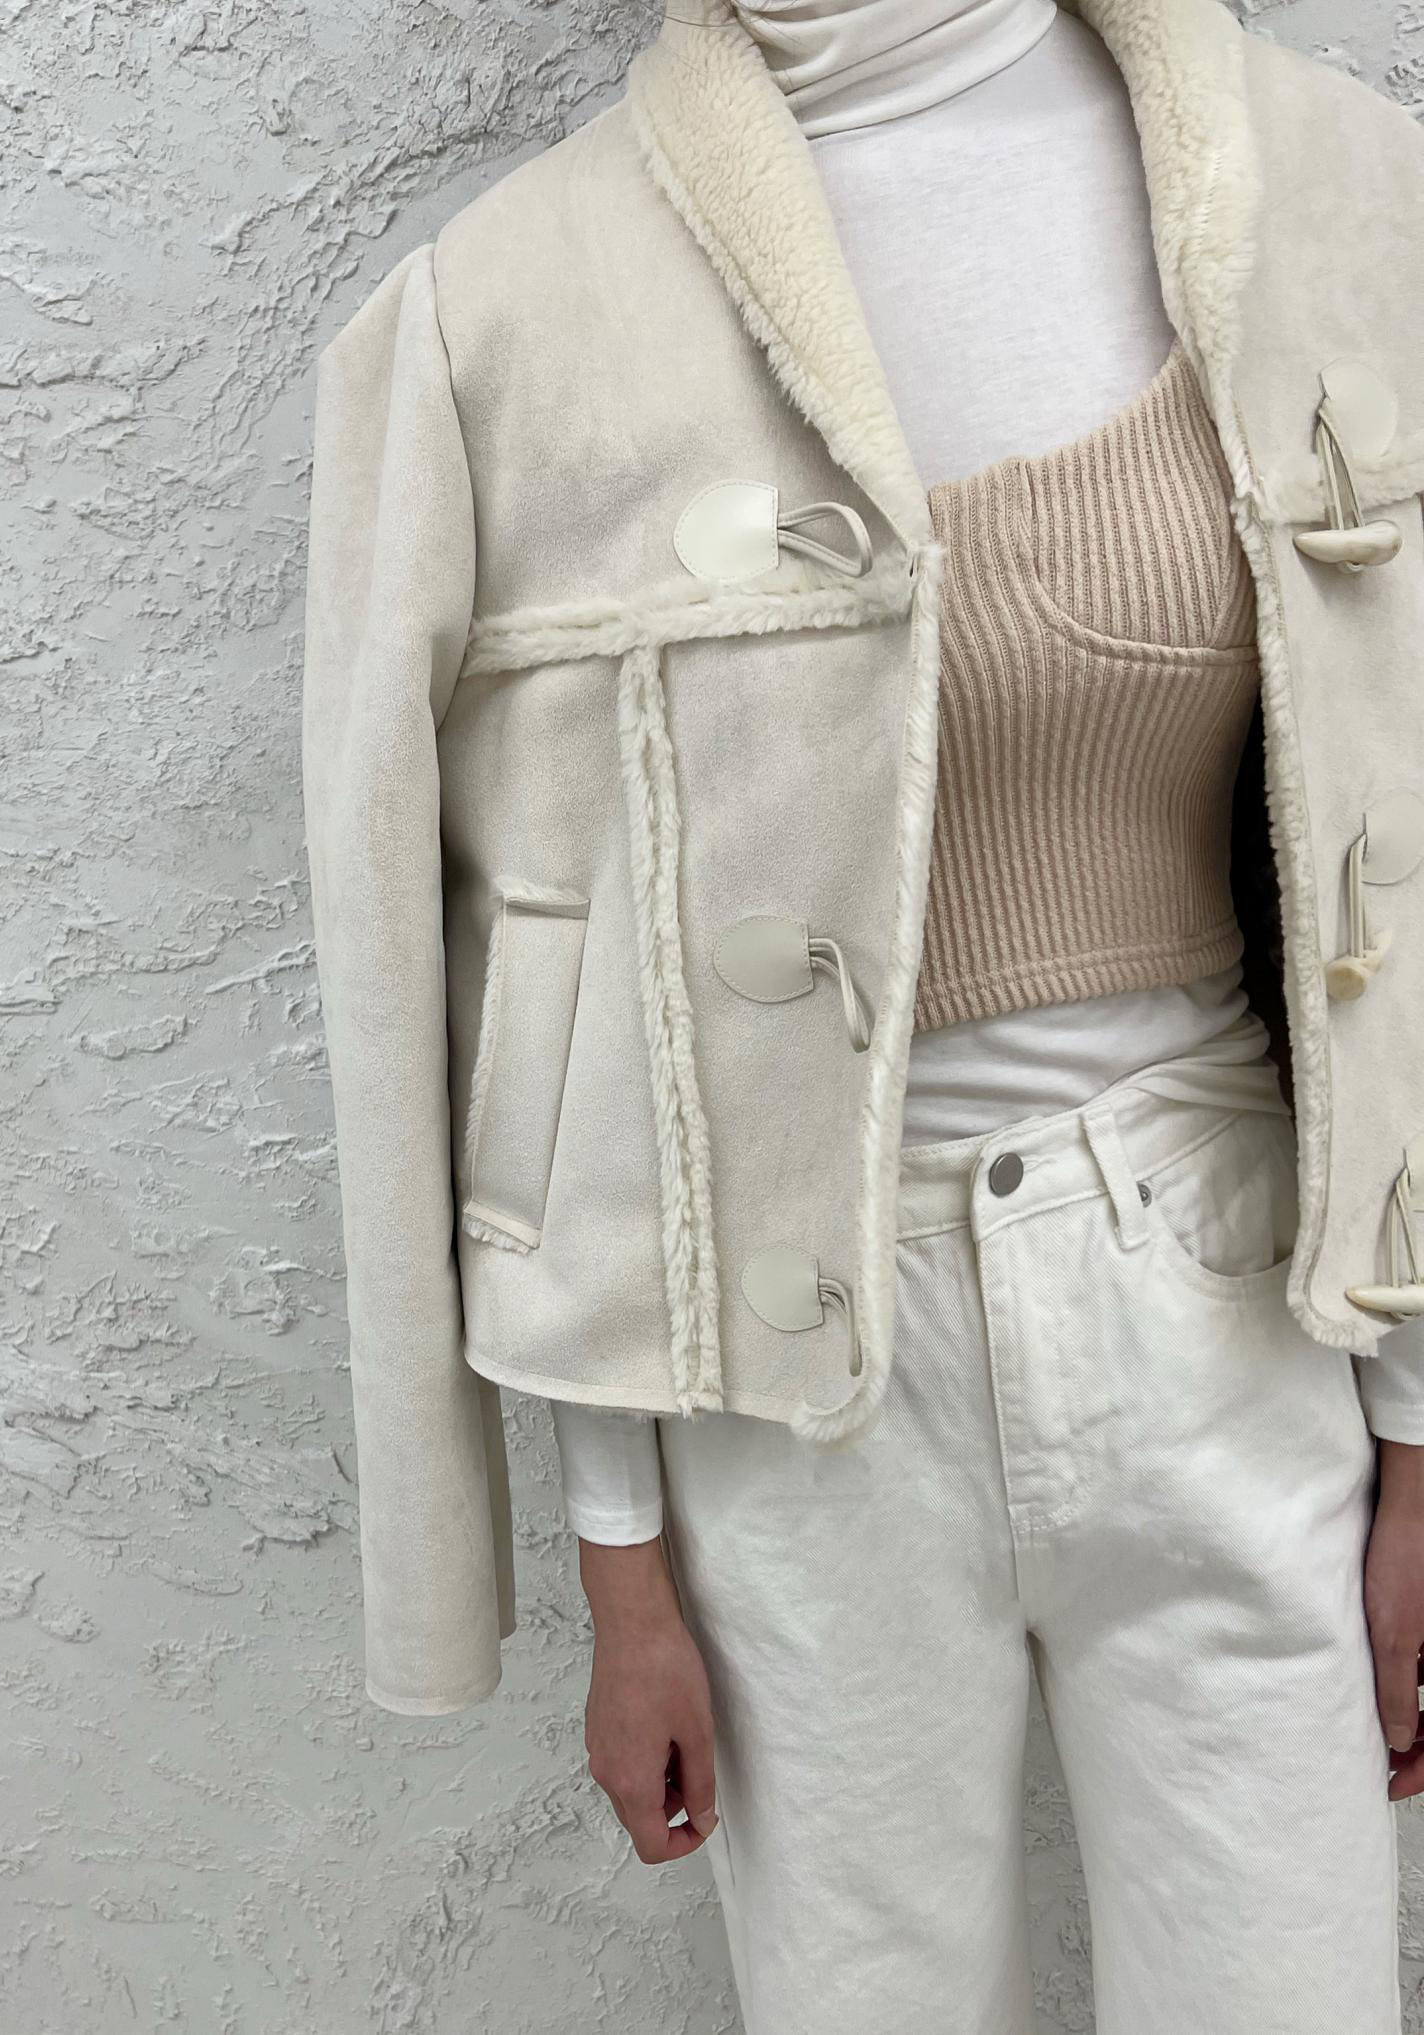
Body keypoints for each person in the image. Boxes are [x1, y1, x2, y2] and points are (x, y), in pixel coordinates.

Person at [299, 1, 1424, 2027]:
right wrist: (620, 1552)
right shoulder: (522, 308)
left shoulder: (1337, 190)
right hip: (794, 1413)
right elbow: (562, 1033)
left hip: (1229, 1303)